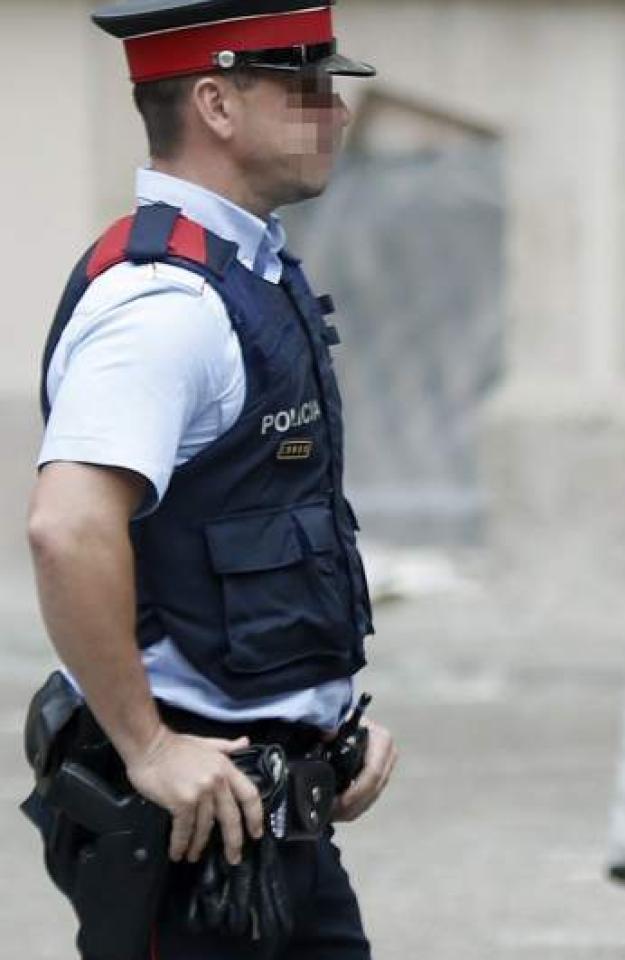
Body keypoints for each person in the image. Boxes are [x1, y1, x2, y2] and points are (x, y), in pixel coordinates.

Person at [20, 1, 398, 956]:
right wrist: (148, 747)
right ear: (217, 104)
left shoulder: (248, 273)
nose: (336, 112)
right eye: (307, 86)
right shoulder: (165, 301)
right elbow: (67, 527)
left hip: (273, 815)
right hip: (194, 830)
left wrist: (329, 720)